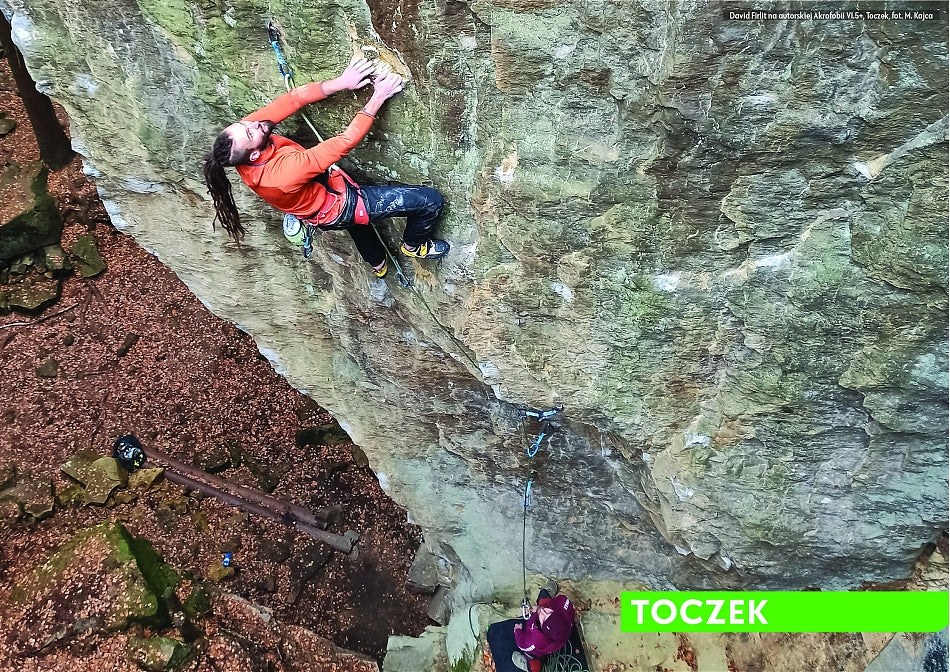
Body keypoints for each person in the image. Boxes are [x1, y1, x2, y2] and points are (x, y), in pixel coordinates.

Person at [203, 56, 449, 278]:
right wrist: (379, 95)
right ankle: (414, 245)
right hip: (338, 206)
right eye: (249, 130)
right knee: (430, 201)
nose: (253, 123)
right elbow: (345, 141)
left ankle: (378, 264)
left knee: (357, 225)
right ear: (255, 154)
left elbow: (293, 99)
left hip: (320, 198)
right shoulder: (281, 174)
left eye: (244, 124)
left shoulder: (244, 144)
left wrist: (343, 82)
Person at [512, 585, 575, 672]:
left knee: (533, 660)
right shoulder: (564, 606)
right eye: (548, 612)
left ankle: (528, 665)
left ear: (542, 628)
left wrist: (517, 630)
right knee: (543, 594)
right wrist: (539, 609)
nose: (542, 612)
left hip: (539, 646)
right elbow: (564, 608)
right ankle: (548, 599)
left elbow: (522, 644)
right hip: (554, 615)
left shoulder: (534, 641)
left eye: (544, 619)